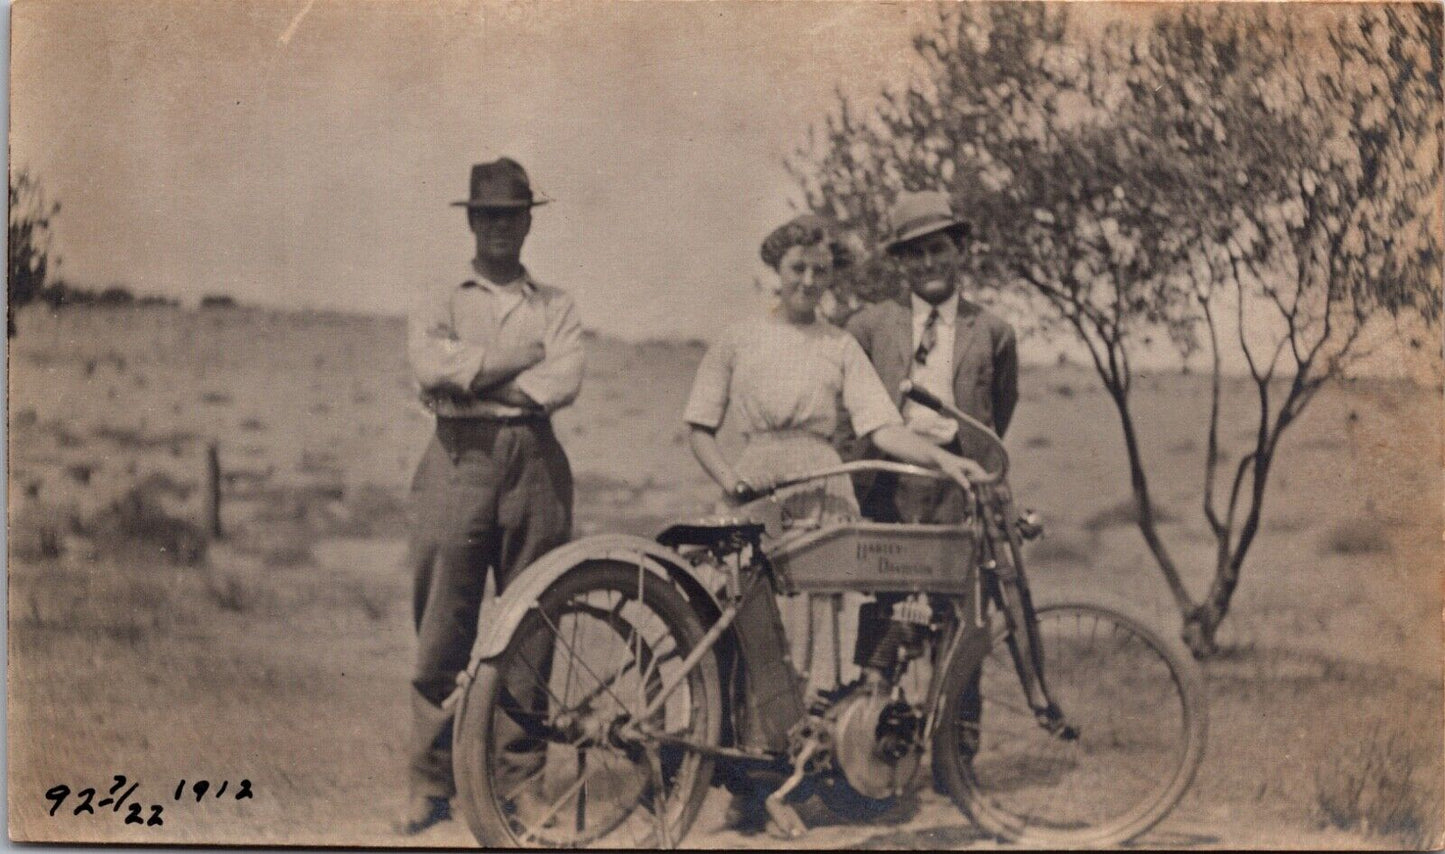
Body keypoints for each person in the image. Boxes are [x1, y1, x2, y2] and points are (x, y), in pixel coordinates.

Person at [682, 213, 984, 831]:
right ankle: (742, 785)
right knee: (752, 633)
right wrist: (729, 482)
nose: (810, 281)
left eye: (821, 271)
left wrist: (947, 461)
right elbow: (697, 428)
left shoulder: (839, 345)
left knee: (818, 640)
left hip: (823, 488)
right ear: (777, 270)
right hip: (758, 488)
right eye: (799, 269)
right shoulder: (738, 338)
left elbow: (883, 427)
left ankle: (798, 786)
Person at [395, 158, 584, 835]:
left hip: (534, 460)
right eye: (487, 214)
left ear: (529, 220)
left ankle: (521, 784)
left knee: (534, 623)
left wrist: (469, 378)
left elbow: (561, 382)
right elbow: (427, 370)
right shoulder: (441, 295)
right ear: (471, 219)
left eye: (512, 214)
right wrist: (512, 362)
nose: (499, 226)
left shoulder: (554, 305)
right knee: (443, 624)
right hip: (456, 458)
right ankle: (429, 782)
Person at [846, 189, 1018, 523]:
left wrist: (969, 450)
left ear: (960, 250)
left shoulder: (992, 332)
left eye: (938, 248)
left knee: (966, 573)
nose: (928, 264)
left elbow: (999, 408)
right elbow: (848, 417)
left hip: (963, 484)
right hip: (885, 479)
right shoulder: (868, 327)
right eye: (915, 254)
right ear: (901, 262)